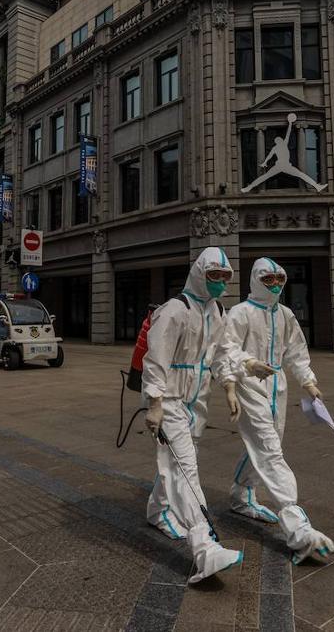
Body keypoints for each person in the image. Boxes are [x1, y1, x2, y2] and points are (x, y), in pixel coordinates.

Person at [219, 257, 334, 565]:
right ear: (256, 280)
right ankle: (298, 528)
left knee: (267, 445)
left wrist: (308, 382)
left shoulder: (285, 314)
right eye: (268, 279)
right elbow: (226, 347)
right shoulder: (240, 313)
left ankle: (241, 494)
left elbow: (296, 351)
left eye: (279, 279)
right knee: (270, 450)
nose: (275, 285)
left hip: (276, 388)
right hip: (249, 386)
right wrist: (247, 363)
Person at [143, 246, 244, 583]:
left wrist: (228, 385)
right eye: (213, 275)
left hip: (196, 400)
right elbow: (155, 358)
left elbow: (221, 354)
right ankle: (205, 547)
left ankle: (157, 511)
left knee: (176, 464)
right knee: (186, 469)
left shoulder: (216, 312)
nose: (219, 282)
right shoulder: (174, 310)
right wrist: (154, 401)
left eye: (224, 276)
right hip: (171, 400)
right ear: (200, 273)